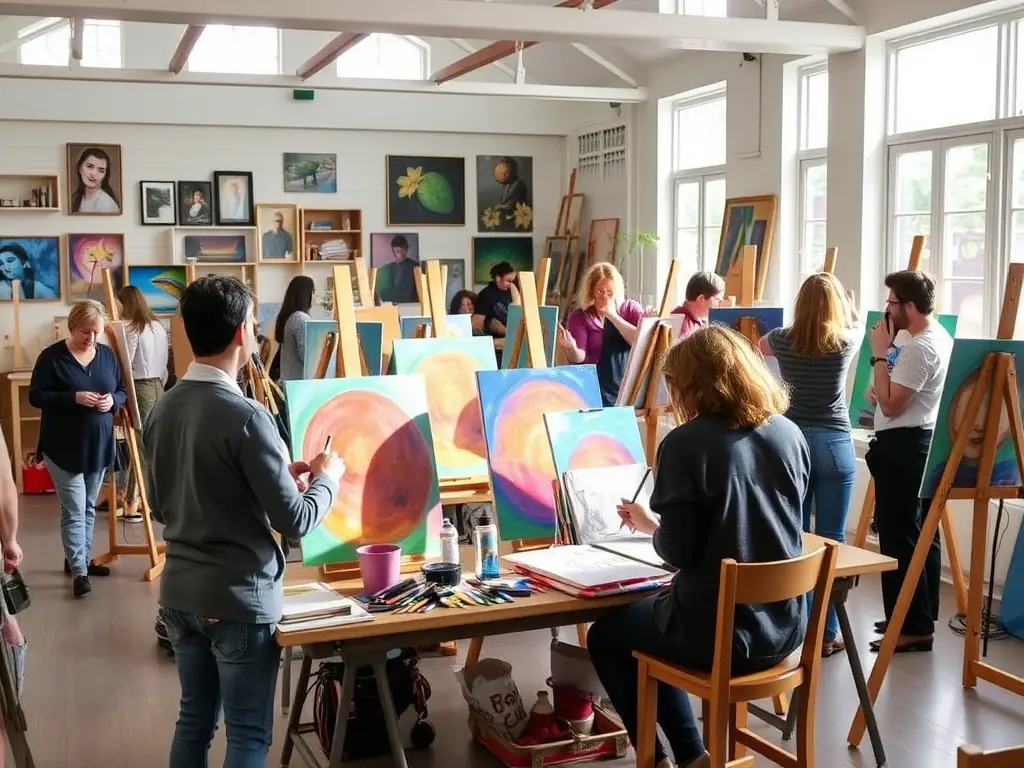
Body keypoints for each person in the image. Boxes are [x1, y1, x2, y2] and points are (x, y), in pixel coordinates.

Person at [143, 275, 343, 767]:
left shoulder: (163, 409)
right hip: (238, 599)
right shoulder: (248, 415)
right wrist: (328, 479)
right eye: (254, 324)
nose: (256, 332)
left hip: (180, 596)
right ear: (240, 334)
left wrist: (272, 479)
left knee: (193, 722)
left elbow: (165, 503)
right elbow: (294, 521)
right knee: (249, 735)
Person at [588, 325, 809, 768]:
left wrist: (655, 531)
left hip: (723, 636)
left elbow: (678, 553)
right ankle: (689, 754)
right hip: (785, 629)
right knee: (653, 619)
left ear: (691, 385)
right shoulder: (789, 434)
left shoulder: (685, 445)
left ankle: (675, 756)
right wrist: (658, 523)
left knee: (609, 635)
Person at [759, 272, 862, 656]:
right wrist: (847, 307)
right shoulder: (847, 341)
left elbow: (758, 344)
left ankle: (796, 626)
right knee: (832, 540)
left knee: (795, 537)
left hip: (793, 443)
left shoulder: (782, 340)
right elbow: (855, 325)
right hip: (835, 443)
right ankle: (827, 631)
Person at [865, 270, 952, 654]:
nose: (887, 308)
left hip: (906, 445)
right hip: (909, 442)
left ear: (910, 306)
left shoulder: (920, 347)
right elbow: (883, 393)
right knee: (918, 535)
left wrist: (880, 356)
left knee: (901, 536)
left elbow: (890, 403)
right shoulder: (915, 340)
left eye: (892, 302)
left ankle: (913, 625)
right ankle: (912, 614)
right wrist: (884, 371)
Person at [29, 300, 126, 598]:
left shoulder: (108, 356)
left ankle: (78, 559)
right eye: (86, 332)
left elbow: (121, 390)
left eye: (97, 333)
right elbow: (36, 396)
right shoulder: (51, 357)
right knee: (73, 508)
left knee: (87, 507)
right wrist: (73, 398)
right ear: (72, 327)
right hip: (62, 447)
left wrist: (113, 402)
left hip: (97, 445)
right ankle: (80, 573)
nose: (92, 339)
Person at [557, 262, 649, 407]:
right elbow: (579, 358)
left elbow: (640, 342)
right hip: (596, 387)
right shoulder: (580, 316)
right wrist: (572, 348)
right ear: (591, 291)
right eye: (600, 291)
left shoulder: (630, 308)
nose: (605, 296)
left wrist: (612, 316)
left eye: (610, 292)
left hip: (628, 386)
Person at [117, 285, 169, 523]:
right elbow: (166, 363)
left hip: (140, 386)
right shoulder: (157, 326)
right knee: (151, 444)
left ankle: (135, 503)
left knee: (141, 447)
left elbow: (125, 365)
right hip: (159, 384)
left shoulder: (131, 328)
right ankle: (136, 500)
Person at [473, 261, 517, 362]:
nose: (510, 285)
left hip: (512, 343)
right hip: (496, 348)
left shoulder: (511, 292)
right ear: (498, 278)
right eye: (508, 281)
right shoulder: (486, 295)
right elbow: (476, 326)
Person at [275, 275, 316, 382]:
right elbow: (308, 357)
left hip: (288, 383)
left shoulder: (291, 317)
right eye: (313, 291)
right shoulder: (300, 319)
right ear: (305, 294)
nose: (315, 296)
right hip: (297, 386)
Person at [670, 271, 724, 336]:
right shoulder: (682, 323)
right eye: (717, 299)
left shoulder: (700, 320)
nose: (720, 303)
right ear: (701, 298)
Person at [70, 147, 120, 214]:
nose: (93, 173)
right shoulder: (78, 198)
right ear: (80, 168)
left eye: (101, 170)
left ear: (105, 175)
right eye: (89, 166)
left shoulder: (106, 203)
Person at [375, 235, 418, 304]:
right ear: (393, 252)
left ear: (407, 249)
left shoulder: (415, 266)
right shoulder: (386, 268)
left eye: (402, 250)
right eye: (397, 251)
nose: (400, 254)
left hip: (410, 304)